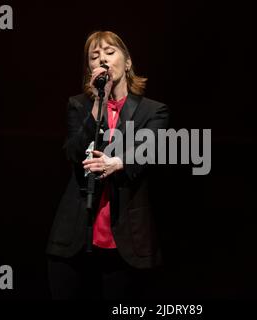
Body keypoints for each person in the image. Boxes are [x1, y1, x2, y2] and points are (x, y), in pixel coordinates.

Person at [46, 30, 170, 300]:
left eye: (109, 52)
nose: (102, 59)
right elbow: (74, 153)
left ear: (127, 63)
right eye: (94, 56)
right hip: (76, 237)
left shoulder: (153, 110)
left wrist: (119, 162)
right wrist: (98, 104)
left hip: (125, 241)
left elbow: (150, 151)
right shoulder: (78, 106)